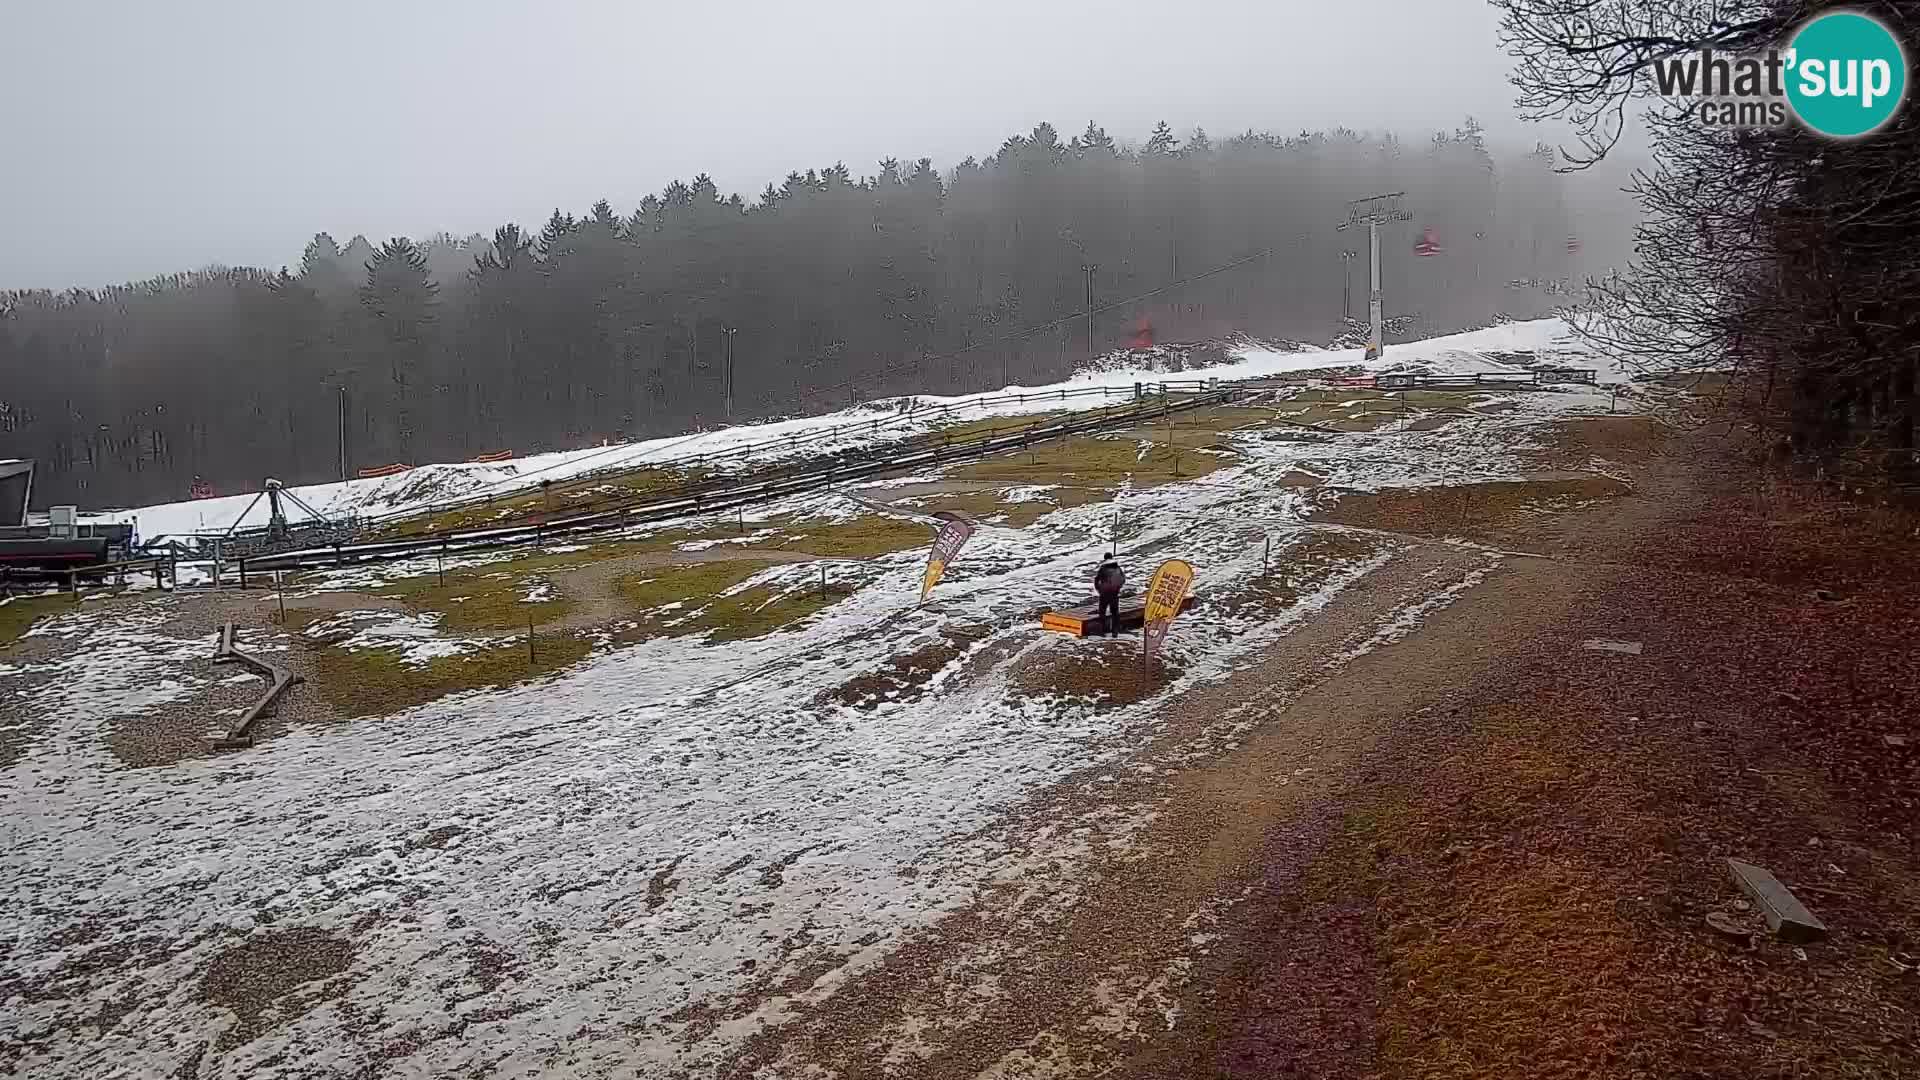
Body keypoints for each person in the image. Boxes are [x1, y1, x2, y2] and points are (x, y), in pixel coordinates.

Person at [1093, 553, 1126, 637]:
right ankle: (1115, 632)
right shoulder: (1118, 568)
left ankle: (1102, 631)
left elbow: (1097, 579)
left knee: (1102, 612)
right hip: (1114, 593)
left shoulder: (1103, 568)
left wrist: (1099, 589)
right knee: (1115, 613)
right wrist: (1118, 588)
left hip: (1104, 593)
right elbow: (1123, 579)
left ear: (1105, 559)